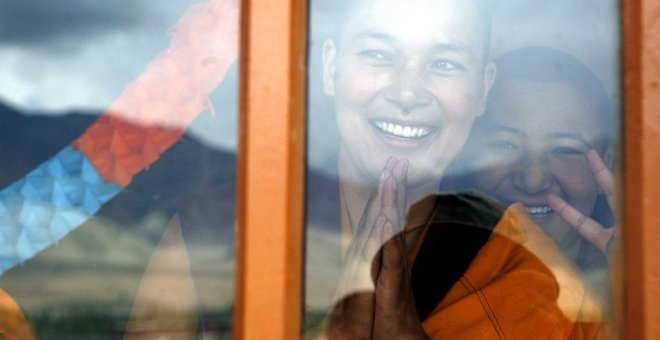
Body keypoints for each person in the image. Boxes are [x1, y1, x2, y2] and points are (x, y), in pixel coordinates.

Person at [318, 0, 607, 338]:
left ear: (483, 89)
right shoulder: (255, 216)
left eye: (444, 64)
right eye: (378, 55)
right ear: (330, 67)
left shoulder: (527, 273)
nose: (408, 93)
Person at [448, 47, 616, 278]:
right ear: (462, 155)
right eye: (506, 145)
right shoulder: (423, 275)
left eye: (564, 149)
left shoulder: (628, 291)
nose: (532, 181)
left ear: (606, 167)